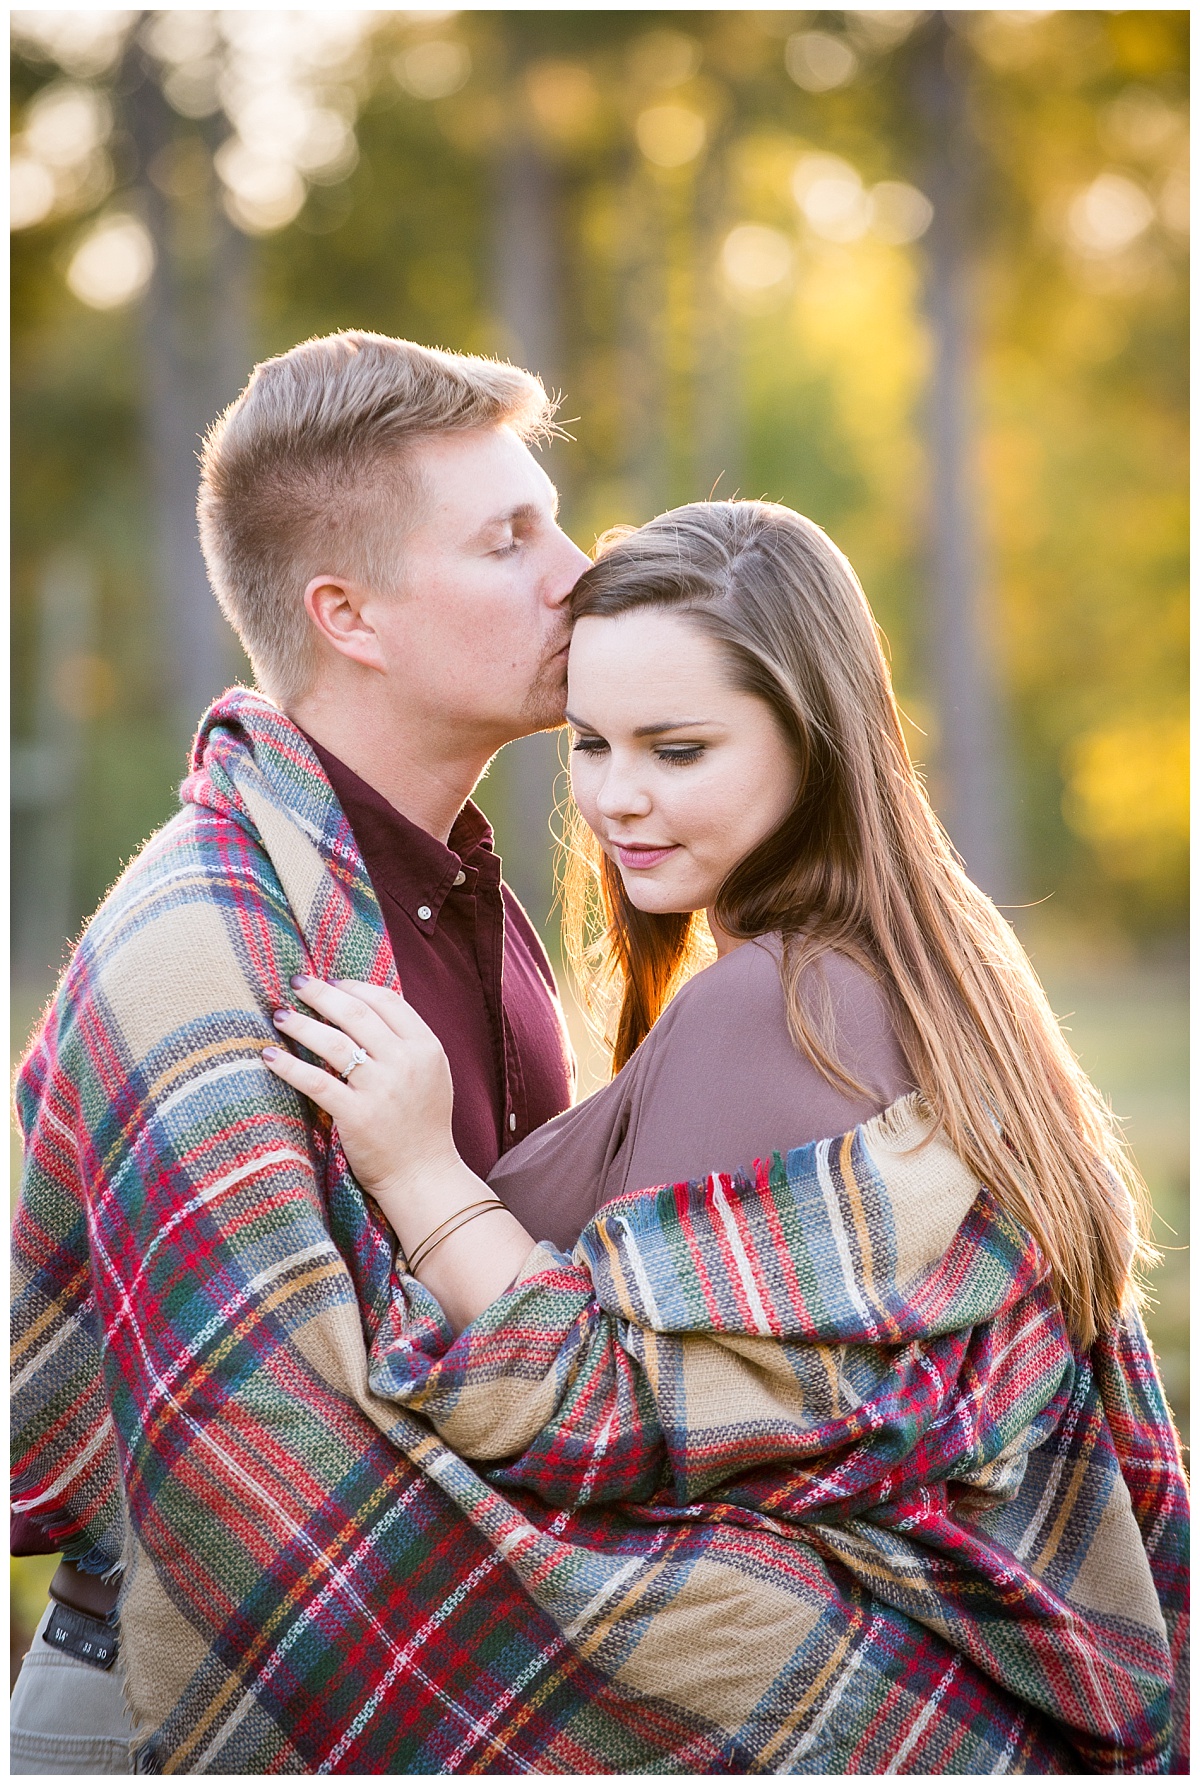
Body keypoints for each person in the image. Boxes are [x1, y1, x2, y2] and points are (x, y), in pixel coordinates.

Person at [260, 501, 1189, 1773]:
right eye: (591, 744)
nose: (616, 797)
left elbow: (607, 1412)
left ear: (814, 741)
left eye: (679, 749)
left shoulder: (777, 1003)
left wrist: (419, 1171)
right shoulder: (929, 959)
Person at [11, 330, 593, 1773]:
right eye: (510, 538)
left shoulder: (458, 887)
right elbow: (268, 1472)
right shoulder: (204, 948)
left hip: (440, 1649)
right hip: (183, 1695)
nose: (575, 569)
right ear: (352, 613)